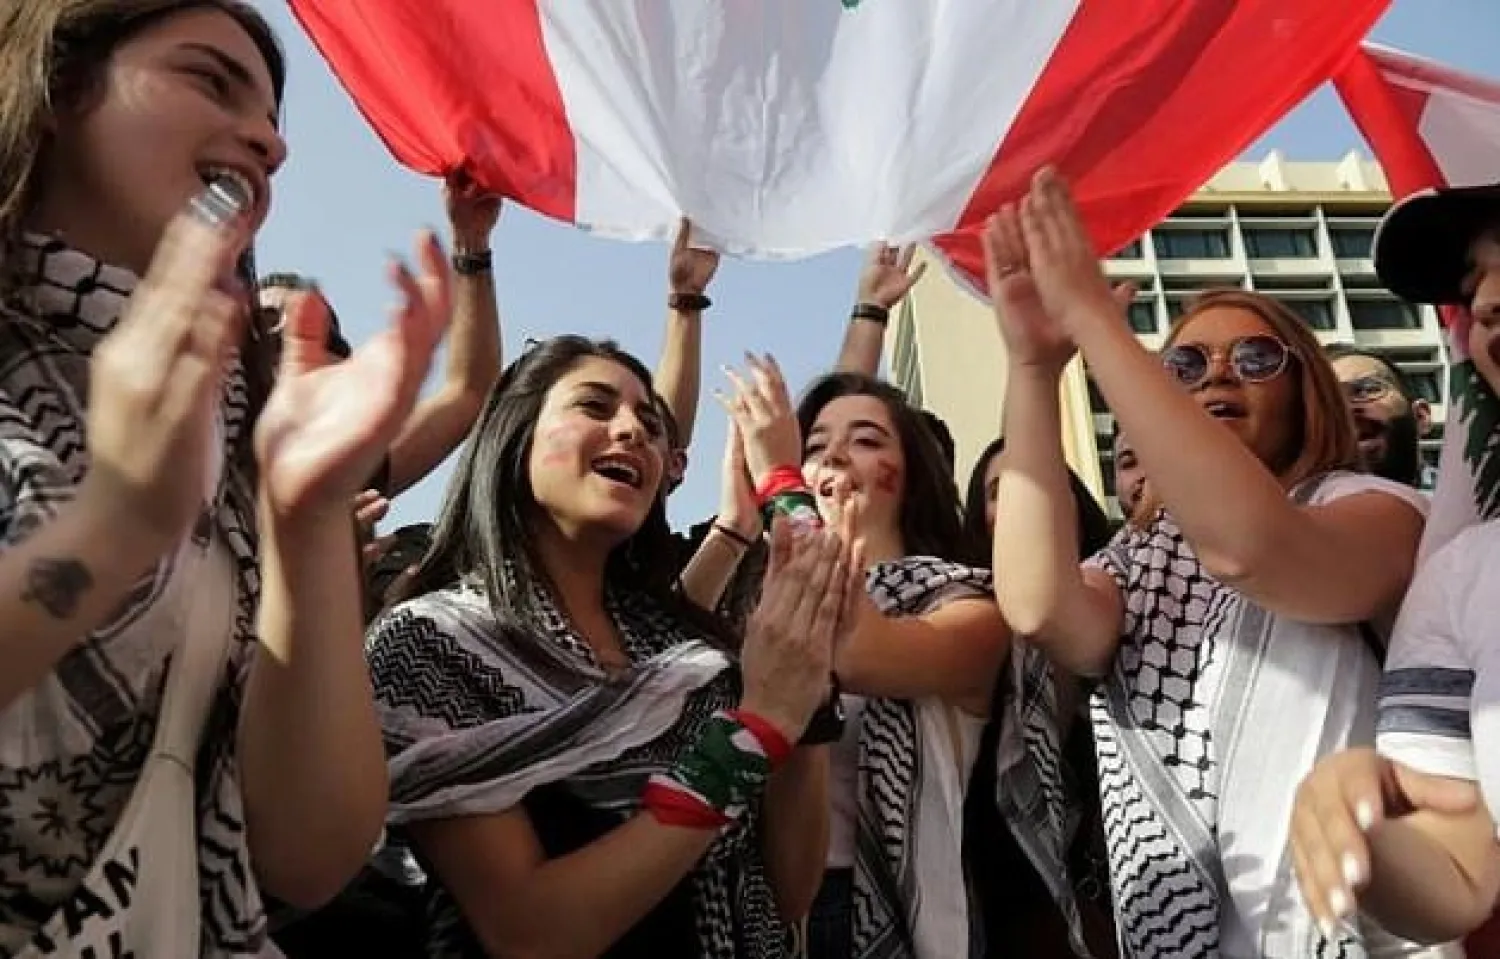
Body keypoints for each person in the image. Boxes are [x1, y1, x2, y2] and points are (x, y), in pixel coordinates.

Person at [0, 1, 450, 953]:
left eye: (276, 122)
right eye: (211, 79)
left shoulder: (230, 426)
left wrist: (306, 515)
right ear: (57, 90)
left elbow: (309, 852)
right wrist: (115, 525)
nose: (271, 146)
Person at [987, 169, 1432, 956]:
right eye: (1184, 367)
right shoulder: (1140, 558)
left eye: (1256, 357)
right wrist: (1032, 371)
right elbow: (1040, 607)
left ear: (1308, 390)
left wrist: (1096, 321)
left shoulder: (1375, 508)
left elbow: (1255, 549)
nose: (1218, 374)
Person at [366, 336, 852, 958]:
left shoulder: (690, 652)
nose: (632, 432)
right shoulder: (433, 642)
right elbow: (529, 933)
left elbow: (787, 893)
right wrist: (756, 730)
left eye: (651, 425)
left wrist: (803, 691)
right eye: (595, 408)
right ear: (515, 438)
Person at [721, 360, 1010, 958]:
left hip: (895, 911)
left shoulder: (968, 600)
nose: (835, 458)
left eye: (867, 440)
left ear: (909, 474)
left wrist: (779, 480)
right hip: (760, 911)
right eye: (816, 445)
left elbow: (849, 649)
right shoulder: (756, 605)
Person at [1291, 183, 1500, 948]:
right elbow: (1457, 870)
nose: (1484, 305)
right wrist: (1363, 820)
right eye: (1473, 286)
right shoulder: (1460, 574)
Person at [1325, 342, 1431, 489]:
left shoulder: (1468, 499)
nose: (1346, 408)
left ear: (1420, 416)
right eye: (1327, 401)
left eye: (1366, 390)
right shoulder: (1299, 507)